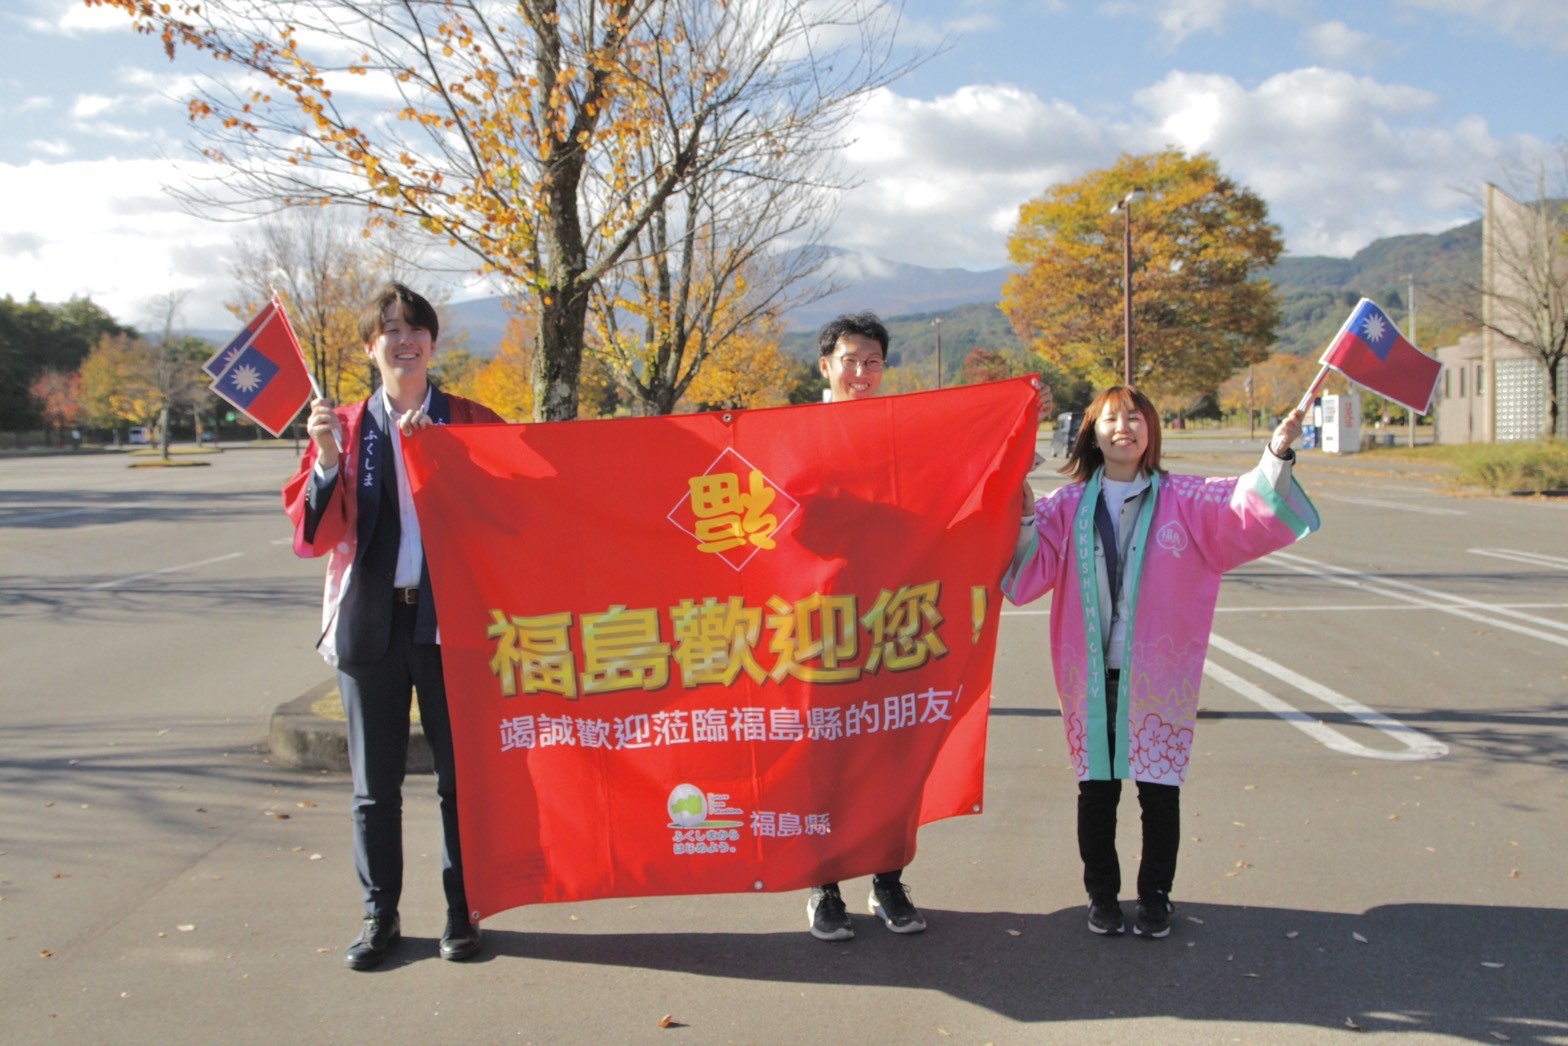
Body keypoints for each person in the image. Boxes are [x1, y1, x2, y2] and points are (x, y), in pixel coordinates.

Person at [1002, 386, 1318, 940]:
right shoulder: (1067, 505)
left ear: (1151, 430)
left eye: (1135, 417)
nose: (1123, 427)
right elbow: (1026, 574)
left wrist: (1278, 450)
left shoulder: (1185, 498)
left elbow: (1247, 503)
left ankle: (1155, 898)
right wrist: (1027, 518)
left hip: (1159, 672)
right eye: (1110, 419)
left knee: (1158, 788)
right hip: (1090, 670)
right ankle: (1102, 898)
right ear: (1092, 433)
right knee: (1097, 790)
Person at [283, 282, 504, 970]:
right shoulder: (343, 427)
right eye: (389, 329)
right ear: (369, 348)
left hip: (452, 627)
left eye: (415, 328)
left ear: (433, 344)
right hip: (370, 623)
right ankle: (380, 913)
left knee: (458, 781)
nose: (403, 339)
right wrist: (324, 462)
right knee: (374, 786)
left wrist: (452, 456)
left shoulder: (468, 417)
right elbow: (313, 534)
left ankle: (462, 910)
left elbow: (516, 508)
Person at [800, 311, 931, 942]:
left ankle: (887, 880)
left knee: (889, 749)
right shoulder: (792, 433)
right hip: (818, 617)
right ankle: (826, 889)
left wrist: (1023, 409)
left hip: (891, 615)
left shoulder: (900, 431)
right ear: (825, 365)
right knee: (826, 753)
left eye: (872, 362)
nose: (861, 372)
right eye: (850, 360)